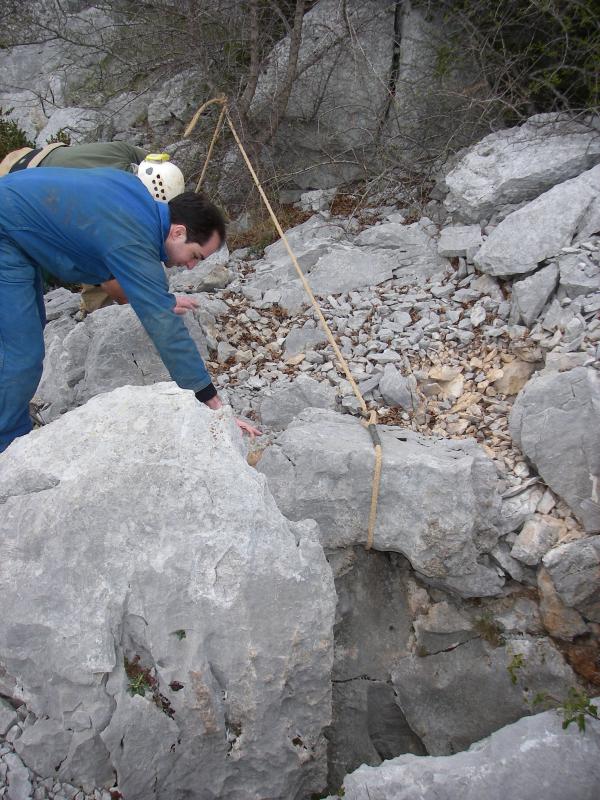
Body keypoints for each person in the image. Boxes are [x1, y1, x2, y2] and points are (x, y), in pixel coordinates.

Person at [0, 166, 260, 452]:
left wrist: (161, 300)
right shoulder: (135, 235)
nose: (191, 265)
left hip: (15, 226)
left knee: (23, 335)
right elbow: (164, 327)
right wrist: (209, 398)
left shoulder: (137, 203)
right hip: (6, 232)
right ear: (178, 232)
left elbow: (121, 273)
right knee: (22, 352)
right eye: (195, 255)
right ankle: (7, 446)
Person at [1, 141, 190, 313]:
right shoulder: (114, 201)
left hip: (28, 158)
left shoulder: (140, 159)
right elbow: (109, 268)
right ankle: (95, 312)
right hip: (15, 197)